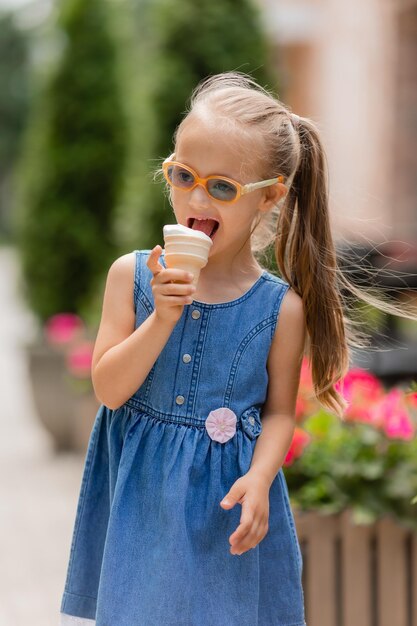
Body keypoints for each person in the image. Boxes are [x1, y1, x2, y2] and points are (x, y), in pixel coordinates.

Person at [59, 71, 412, 626]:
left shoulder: (280, 309)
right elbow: (109, 388)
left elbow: (276, 411)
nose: (195, 198)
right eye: (182, 176)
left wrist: (261, 477)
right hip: (143, 502)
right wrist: (163, 316)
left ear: (269, 196)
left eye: (221, 187)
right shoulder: (130, 277)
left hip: (225, 502)